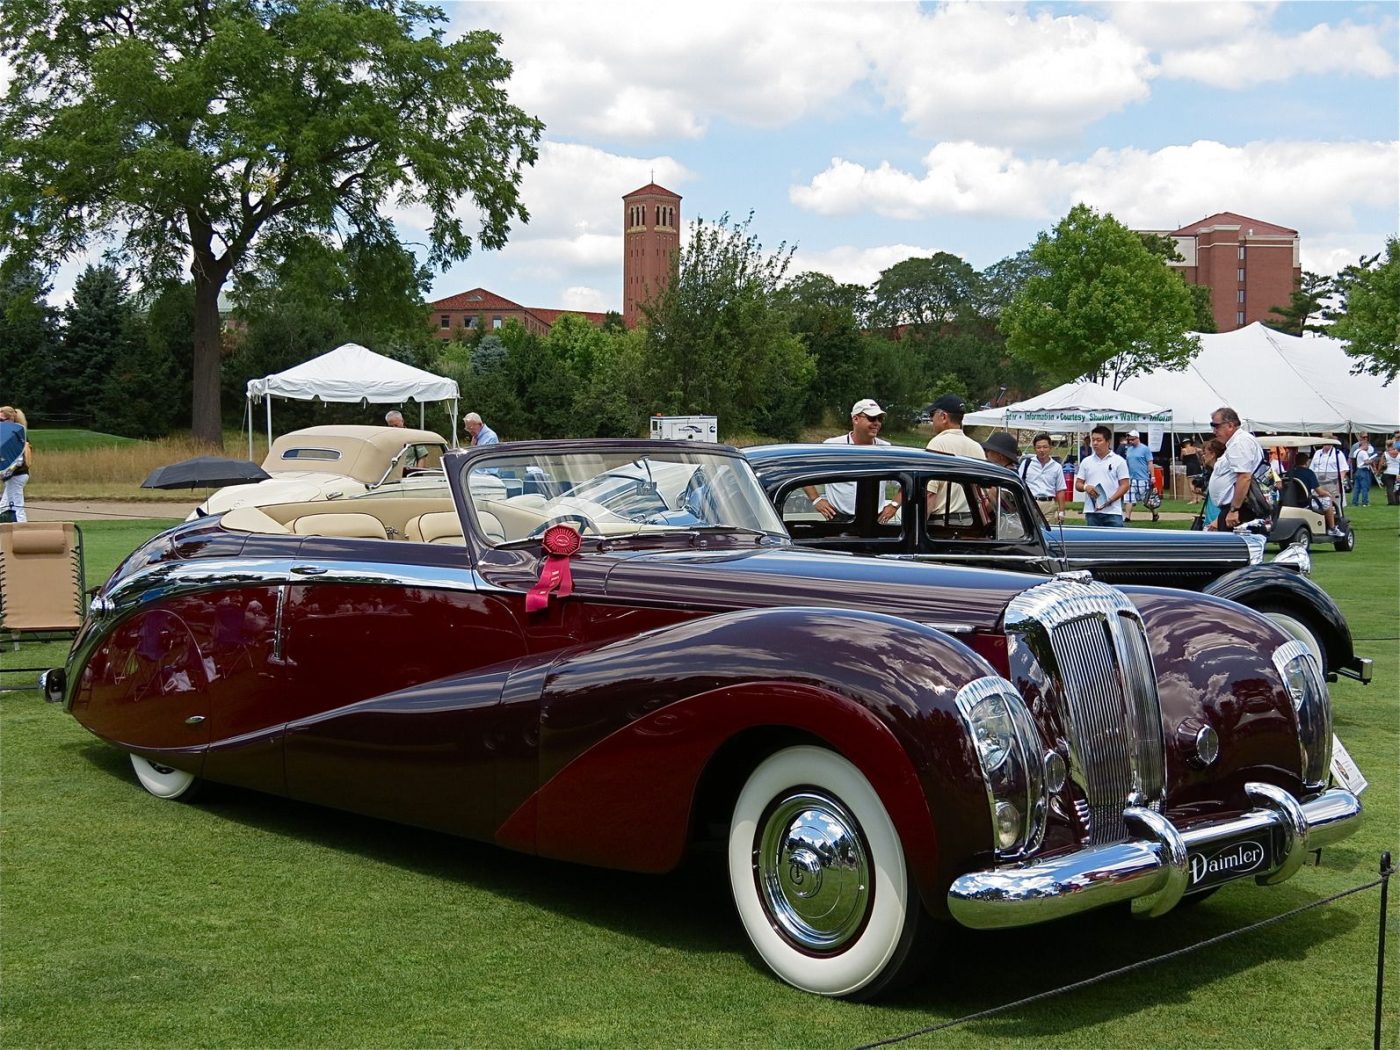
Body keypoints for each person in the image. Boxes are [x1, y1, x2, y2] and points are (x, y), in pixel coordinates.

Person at [804, 398, 898, 523]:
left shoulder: (886, 449)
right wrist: (816, 500)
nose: (877, 423)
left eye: (879, 419)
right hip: (838, 518)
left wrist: (894, 505)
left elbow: (907, 478)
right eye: (871, 418)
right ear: (855, 419)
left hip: (875, 520)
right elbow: (804, 470)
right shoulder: (833, 446)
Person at [925, 393, 985, 523]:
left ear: (943, 417)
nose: (931, 420)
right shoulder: (977, 448)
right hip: (971, 523)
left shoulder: (937, 444)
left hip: (942, 523)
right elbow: (985, 493)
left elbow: (930, 493)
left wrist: (918, 529)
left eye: (932, 414)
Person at [1209, 406, 1263, 531]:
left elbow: (1244, 477)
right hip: (1235, 508)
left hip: (1241, 510)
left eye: (1216, 426)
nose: (1214, 431)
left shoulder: (1240, 443)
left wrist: (1234, 509)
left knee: (1231, 549)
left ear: (1230, 425)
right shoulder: (1236, 443)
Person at [1075, 424, 1130, 526]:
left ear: (1108, 441)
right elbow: (1078, 484)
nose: (1095, 443)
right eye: (1093, 440)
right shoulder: (1086, 461)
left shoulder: (1119, 461)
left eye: (1099, 440)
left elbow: (1125, 485)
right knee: (1093, 541)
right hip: (1092, 511)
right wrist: (1086, 487)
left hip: (1113, 512)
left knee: (1115, 541)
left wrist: (1110, 500)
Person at [1284, 451, 1341, 535]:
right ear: (1306, 462)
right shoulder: (1309, 473)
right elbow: (1320, 492)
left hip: (1290, 501)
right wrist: (1329, 494)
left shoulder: (1289, 473)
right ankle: (1332, 528)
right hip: (1305, 502)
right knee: (1328, 501)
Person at [1020, 431, 1068, 522]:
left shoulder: (1056, 467)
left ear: (1050, 448)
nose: (1042, 450)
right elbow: (1019, 483)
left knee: (1048, 534)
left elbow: (1060, 490)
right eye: (1039, 447)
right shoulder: (1026, 464)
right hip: (1030, 503)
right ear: (1034, 449)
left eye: (1045, 447)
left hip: (1048, 504)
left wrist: (1061, 511)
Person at [0, 406, 31, 523]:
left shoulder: (17, 435)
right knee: (3, 506)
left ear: (10, 419)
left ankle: (22, 530)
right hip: (14, 476)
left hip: (17, 475)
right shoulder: (10, 435)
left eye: (2, 420)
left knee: (17, 506)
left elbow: (19, 461)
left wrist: (4, 473)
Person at [1122, 430, 1153, 523]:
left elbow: (1150, 462)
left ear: (1137, 438)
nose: (1130, 441)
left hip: (1143, 478)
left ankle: (1155, 513)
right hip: (1131, 479)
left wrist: (1152, 476)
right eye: (1129, 440)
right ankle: (1127, 517)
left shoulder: (1145, 449)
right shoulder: (1129, 450)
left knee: (1147, 500)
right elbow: (1127, 462)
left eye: (1132, 439)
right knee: (1129, 498)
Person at [1198, 439, 1228, 529]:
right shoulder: (1214, 473)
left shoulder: (1221, 474)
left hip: (1217, 522)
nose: (1203, 456)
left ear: (1212, 454)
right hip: (1211, 521)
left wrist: (1218, 521)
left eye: (1205, 453)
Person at [1311, 434, 1348, 504]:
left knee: (1335, 504)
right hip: (1319, 483)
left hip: (1333, 483)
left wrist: (1340, 482)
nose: (1326, 444)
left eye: (1327, 442)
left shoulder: (1338, 453)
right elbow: (1312, 468)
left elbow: (1344, 469)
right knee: (1318, 503)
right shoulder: (1317, 453)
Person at [1350, 433, 1376, 507]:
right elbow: (1366, 462)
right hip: (1364, 470)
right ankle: (1365, 502)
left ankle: (1355, 502)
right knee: (1365, 487)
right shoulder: (1364, 452)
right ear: (1364, 445)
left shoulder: (1356, 451)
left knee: (1356, 487)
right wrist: (1371, 461)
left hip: (1358, 470)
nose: (1368, 447)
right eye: (1367, 446)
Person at [1180, 438, 1202, 504]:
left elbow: (1181, 458)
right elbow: (1201, 450)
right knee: (1198, 482)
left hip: (1190, 466)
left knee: (1191, 483)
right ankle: (1199, 498)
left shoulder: (1183, 450)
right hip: (1197, 466)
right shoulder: (1195, 448)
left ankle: (1194, 499)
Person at [1382, 440, 1400, 506]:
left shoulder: (1385, 453)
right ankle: (1397, 501)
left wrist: (1378, 471)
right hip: (1397, 472)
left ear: (1386, 445)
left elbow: (1381, 464)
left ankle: (1391, 502)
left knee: (1390, 487)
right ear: (1393, 445)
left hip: (1388, 472)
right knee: (1396, 487)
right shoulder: (1398, 452)